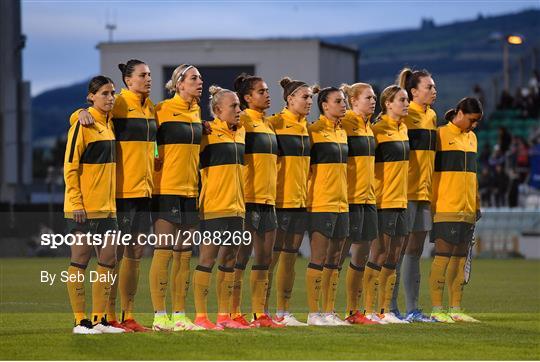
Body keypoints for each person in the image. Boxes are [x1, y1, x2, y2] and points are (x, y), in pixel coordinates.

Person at [72, 59, 155, 332]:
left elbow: (152, 147)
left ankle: (126, 315)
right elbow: (89, 116)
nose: (148, 79)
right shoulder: (118, 103)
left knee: (135, 254)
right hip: (119, 194)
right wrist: (78, 113)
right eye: (143, 75)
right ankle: (105, 316)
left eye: (150, 75)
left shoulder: (151, 108)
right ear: (128, 81)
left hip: (145, 192)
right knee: (111, 256)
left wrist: (155, 162)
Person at [64, 76, 124, 334]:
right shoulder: (82, 123)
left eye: (112, 93)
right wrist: (77, 202)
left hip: (107, 208)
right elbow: (70, 166)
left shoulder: (109, 125)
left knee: (108, 260)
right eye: (104, 93)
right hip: (84, 207)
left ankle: (100, 320)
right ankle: (80, 321)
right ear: (91, 97)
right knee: (80, 260)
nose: (110, 97)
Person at [149, 64, 204, 331]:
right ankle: (160, 316)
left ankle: (180, 316)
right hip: (166, 190)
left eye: (201, 79)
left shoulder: (196, 112)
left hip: (190, 192)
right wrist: (155, 159)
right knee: (164, 252)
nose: (200, 82)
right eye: (194, 78)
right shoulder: (161, 110)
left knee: (184, 255)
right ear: (179, 84)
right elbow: (149, 143)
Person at [192, 85, 249, 330]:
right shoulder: (205, 132)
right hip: (214, 207)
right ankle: (201, 316)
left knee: (230, 260)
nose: (239, 110)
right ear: (217, 110)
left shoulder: (241, 131)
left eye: (239, 105)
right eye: (234, 106)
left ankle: (224, 316)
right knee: (207, 259)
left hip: (237, 208)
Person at [231, 74, 283, 328]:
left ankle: (260, 313)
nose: (267, 94)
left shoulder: (268, 123)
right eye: (261, 92)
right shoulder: (243, 121)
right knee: (240, 258)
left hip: (268, 200)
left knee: (264, 258)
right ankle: (233, 313)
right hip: (249, 199)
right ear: (247, 98)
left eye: (267, 90)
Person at [429, 97, 483, 323]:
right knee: (442, 257)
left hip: (467, 207)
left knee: (460, 259)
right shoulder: (440, 135)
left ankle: (456, 308)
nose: (474, 125)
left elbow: (473, 174)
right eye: (472, 120)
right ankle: (436, 308)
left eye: (477, 122)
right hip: (446, 206)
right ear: (460, 113)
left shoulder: (472, 138)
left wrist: (477, 202)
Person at [390, 68, 438, 322]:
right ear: (413, 91)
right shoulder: (404, 117)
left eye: (433, 86)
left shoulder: (431, 116)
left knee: (415, 251)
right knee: (396, 251)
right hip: (405, 192)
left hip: (424, 193)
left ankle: (412, 309)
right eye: (429, 87)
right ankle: (389, 308)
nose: (434, 90)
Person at [267, 77, 314, 326]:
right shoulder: (274, 123)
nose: (309, 102)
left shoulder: (308, 127)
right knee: (270, 260)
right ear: (290, 98)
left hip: (300, 201)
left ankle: (283, 312)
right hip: (278, 200)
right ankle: (260, 311)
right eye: (305, 97)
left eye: (311, 98)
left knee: (289, 258)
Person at [363, 85, 410, 324]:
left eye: (407, 100)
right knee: (379, 253)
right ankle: (369, 308)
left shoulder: (403, 129)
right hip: (383, 201)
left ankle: (385, 309)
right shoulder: (377, 130)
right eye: (402, 100)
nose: (407, 104)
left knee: (394, 255)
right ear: (388, 104)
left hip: (401, 200)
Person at [305, 86, 350, 326]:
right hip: (321, 202)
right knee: (319, 258)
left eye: (344, 101)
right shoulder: (313, 131)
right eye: (339, 101)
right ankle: (314, 313)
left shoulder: (342, 132)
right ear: (324, 105)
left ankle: (329, 311)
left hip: (342, 204)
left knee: (335, 259)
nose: (344, 105)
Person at [337, 82, 379, 325]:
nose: (373, 101)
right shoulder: (347, 123)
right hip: (349, 198)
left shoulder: (368, 127)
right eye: (368, 98)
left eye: (374, 97)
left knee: (361, 256)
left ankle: (354, 311)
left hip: (368, 198)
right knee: (336, 256)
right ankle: (325, 310)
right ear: (353, 101)